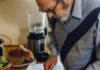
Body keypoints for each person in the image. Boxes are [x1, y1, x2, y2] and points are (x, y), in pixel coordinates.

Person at [35, 0, 100, 70]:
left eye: (50, 10)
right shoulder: (52, 12)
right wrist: (53, 54)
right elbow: (54, 35)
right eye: (44, 11)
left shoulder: (96, 11)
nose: (49, 16)